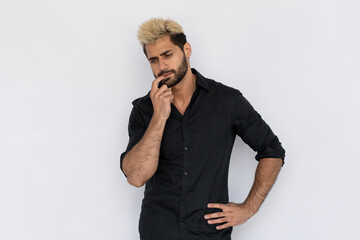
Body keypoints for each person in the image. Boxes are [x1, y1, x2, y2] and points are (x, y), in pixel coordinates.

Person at [120, 17, 285, 240]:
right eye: (154, 60)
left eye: (168, 55)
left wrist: (248, 208)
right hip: (158, 233)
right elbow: (136, 177)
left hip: (209, 234)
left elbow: (272, 151)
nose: (162, 67)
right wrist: (159, 116)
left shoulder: (227, 101)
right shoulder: (143, 110)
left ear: (186, 50)